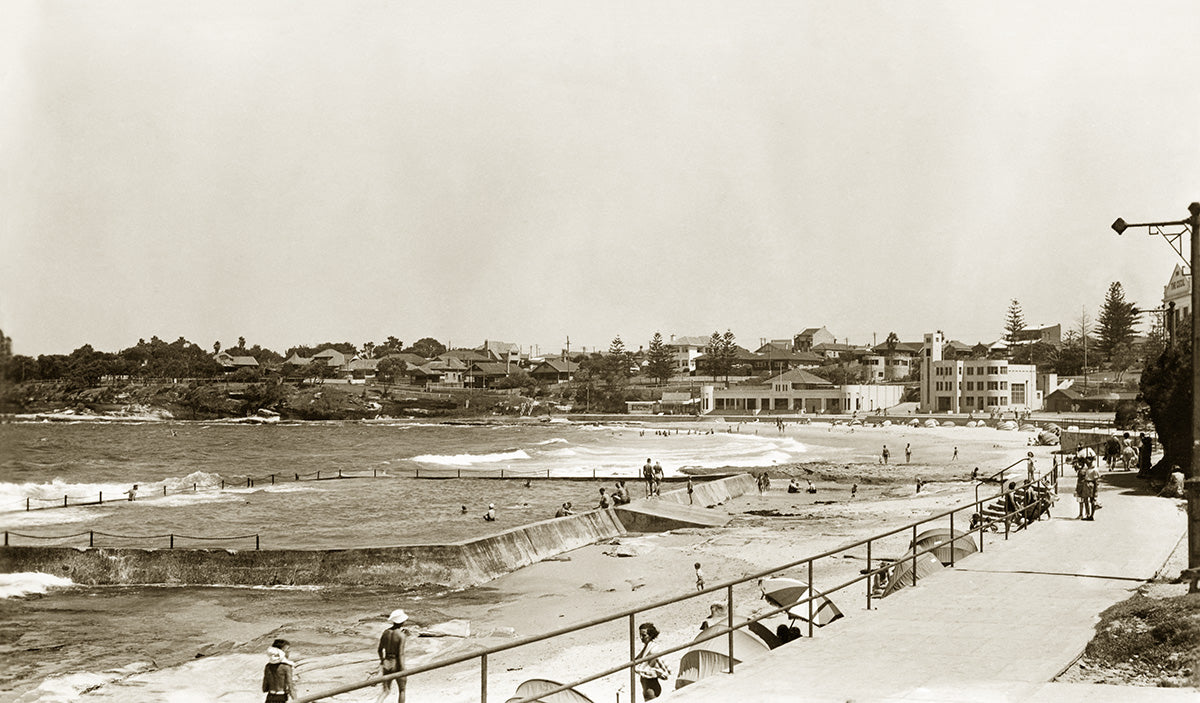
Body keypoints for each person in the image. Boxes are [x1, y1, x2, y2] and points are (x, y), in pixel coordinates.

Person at [376, 609, 408, 703]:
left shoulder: (385, 632)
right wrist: (403, 669)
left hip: (387, 663)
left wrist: (382, 661)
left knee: (386, 691)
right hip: (396, 663)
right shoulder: (401, 635)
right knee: (402, 690)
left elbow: (379, 650)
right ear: (402, 621)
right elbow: (400, 654)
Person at [634, 623, 670, 700]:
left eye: (644, 635)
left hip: (651, 688)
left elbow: (663, 669)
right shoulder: (647, 647)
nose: (641, 638)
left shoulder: (653, 649)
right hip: (648, 687)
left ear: (650, 635)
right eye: (640, 635)